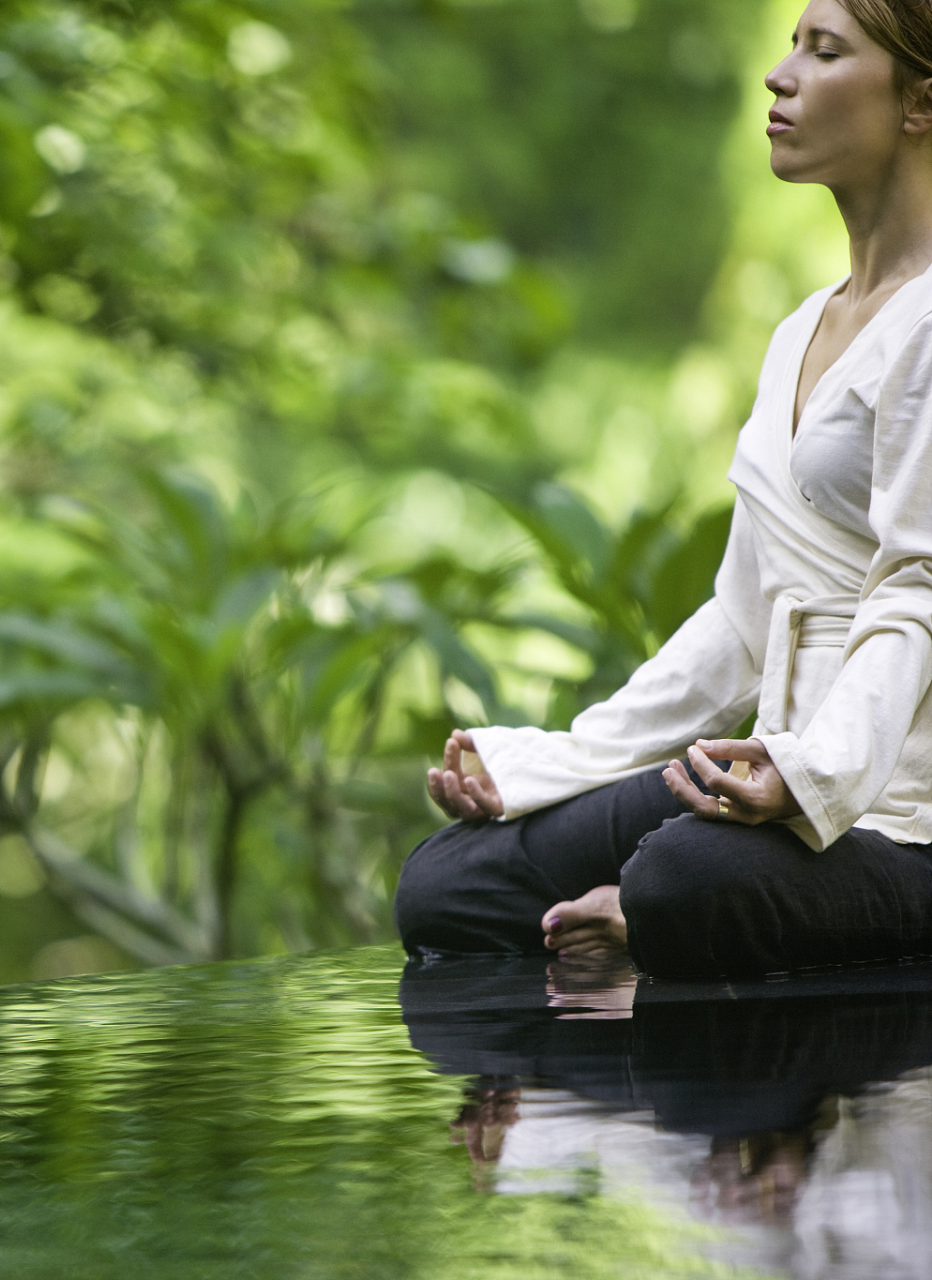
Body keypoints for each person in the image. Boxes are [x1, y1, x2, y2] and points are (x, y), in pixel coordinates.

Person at [395, 0, 932, 978]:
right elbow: (739, 618)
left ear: (920, 103)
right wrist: (548, 763)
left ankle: (651, 927)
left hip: (899, 822)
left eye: (824, 52)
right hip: (769, 781)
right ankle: (647, 924)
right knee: (449, 881)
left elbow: (918, 593)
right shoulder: (802, 330)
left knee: (684, 878)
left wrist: (811, 776)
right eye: (789, 46)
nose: (781, 76)